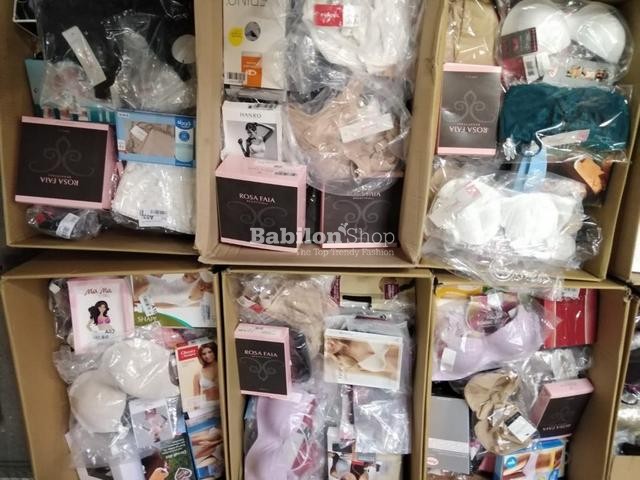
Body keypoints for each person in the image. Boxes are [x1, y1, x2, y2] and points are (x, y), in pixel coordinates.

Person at [325, 337, 399, 380]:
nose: (327, 345)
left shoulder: (351, 330)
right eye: (324, 349)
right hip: (401, 371)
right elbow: (387, 377)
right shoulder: (348, 366)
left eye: (324, 342)